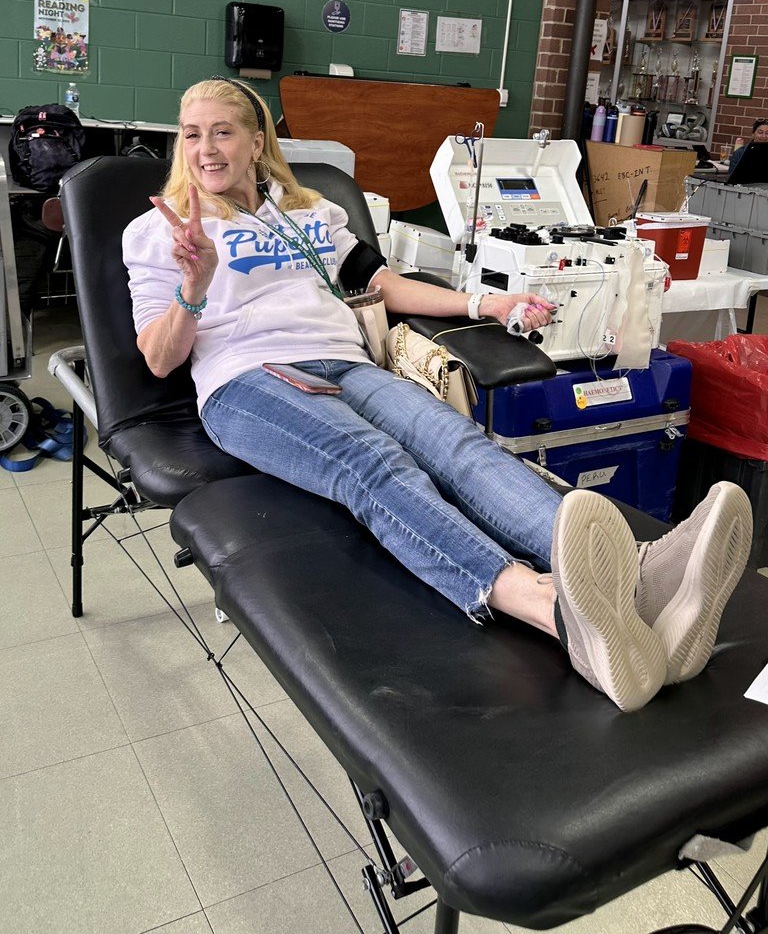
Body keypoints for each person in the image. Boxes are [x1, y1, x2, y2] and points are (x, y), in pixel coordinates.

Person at [123, 77, 753, 713]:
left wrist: (486, 302)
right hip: (248, 379)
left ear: (257, 142)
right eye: (192, 134)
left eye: (222, 132)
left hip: (346, 362)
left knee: (459, 443)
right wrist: (193, 286)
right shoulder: (160, 233)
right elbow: (160, 358)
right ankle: (553, 609)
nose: (205, 149)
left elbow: (387, 285)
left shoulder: (309, 214)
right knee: (372, 463)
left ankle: (639, 577)